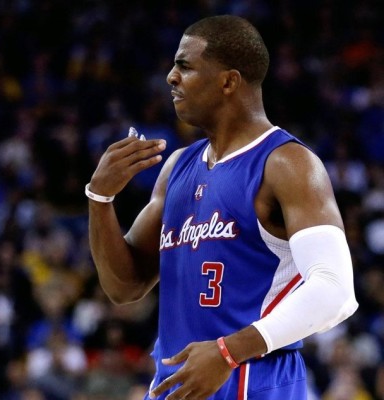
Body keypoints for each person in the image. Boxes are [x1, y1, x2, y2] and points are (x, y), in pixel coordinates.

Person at [86, 15, 358, 400]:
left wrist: (229, 351)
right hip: (177, 383)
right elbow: (124, 287)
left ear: (229, 81)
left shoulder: (287, 163)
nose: (171, 77)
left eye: (185, 66)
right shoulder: (177, 167)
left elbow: (335, 292)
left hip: (254, 379)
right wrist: (100, 198)